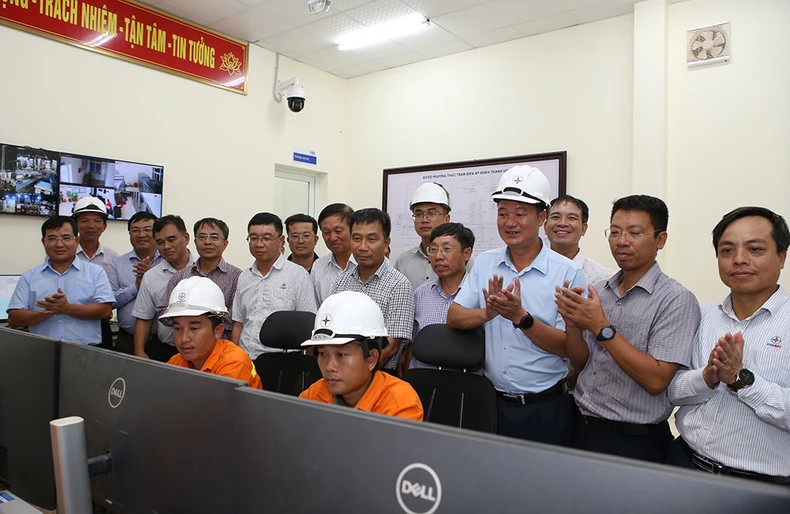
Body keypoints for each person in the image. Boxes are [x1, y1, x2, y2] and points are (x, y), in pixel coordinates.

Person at [555, 194, 700, 463]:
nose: (622, 241)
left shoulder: (676, 299)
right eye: (615, 232)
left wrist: (600, 326)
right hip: (580, 425)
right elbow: (581, 361)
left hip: (633, 440)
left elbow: (656, 380)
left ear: (660, 239)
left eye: (634, 233)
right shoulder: (600, 291)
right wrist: (573, 326)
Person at [448, 165, 586, 445]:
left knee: (541, 485)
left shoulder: (566, 273)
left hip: (545, 407)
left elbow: (572, 350)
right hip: (491, 403)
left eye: (520, 214)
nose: (510, 222)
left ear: (541, 218)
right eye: (503, 214)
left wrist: (522, 318)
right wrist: (487, 313)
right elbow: (455, 317)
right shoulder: (486, 263)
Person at [667, 206, 790, 485]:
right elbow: (672, 390)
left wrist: (741, 381)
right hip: (684, 464)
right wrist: (706, 377)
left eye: (755, 249)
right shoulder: (704, 315)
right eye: (727, 251)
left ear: (781, 257)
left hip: (760, 486)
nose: (739, 260)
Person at [299, 291, 423, 421]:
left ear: (371, 358)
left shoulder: (400, 403)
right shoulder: (315, 394)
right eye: (322, 354)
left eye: (341, 355)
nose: (329, 367)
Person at [332, 208, 415, 376]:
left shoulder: (399, 285)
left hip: (379, 373)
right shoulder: (342, 281)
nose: (363, 247)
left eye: (371, 239)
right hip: (339, 371)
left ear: (386, 243)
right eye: (356, 239)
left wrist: (357, 375)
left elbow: (391, 347)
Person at [7, 216, 114, 344]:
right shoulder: (29, 276)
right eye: (52, 239)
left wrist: (67, 308)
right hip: (41, 350)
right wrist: (46, 312)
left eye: (66, 238)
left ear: (77, 240)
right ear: (43, 242)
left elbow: (104, 310)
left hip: (85, 352)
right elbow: (14, 318)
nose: (59, 244)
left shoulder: (95, 272)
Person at [232, 212, 317, 359]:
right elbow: (239, 324)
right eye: (253, 238)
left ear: (281, 240)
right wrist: (235, 357)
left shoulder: (298, 275)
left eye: (266, 238)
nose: (259, 244)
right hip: (246, 359)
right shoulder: (244, 276)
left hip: (284, 363)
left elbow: (309, 326)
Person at [160, 276, 262, 389]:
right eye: (178, 329)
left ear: (218, 331)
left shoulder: (234, 363)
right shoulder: (177, 361)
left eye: (194, 329)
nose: (184, 339)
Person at [157, 218, 241, 341]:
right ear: (195, 242)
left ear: (225, 243)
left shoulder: (237, 277)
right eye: (202, 237)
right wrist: (186, 321)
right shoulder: (181, 276)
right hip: (186, 346)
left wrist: (195, 316)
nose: (207, 242)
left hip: (222, 349)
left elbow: (236, 318)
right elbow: (162, 311)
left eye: (214, 237)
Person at [411, 222, 475, 370]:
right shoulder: (420, 294)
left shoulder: (479, 294)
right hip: (422, 381)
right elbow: (411, 346)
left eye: (447, 249)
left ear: (467, 253)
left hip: (466, 385)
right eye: (433, 249)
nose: (439, 256)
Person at [132, 215, 196, 362]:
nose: (166, 246)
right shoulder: (151, 276)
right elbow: (143, 318)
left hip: (203, 352)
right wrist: (139, 352)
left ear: (186, 238)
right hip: (166, 350)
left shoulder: (204, 268)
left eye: (171, 240)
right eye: (160, 242)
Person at [107, 211, 162, 354]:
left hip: (161, 341)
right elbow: (109, 301)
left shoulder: (168, 261)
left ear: (157, 233)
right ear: (130, 234)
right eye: (135, 230)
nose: (141, 234)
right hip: (126, 339)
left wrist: (152, 280)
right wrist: (136, 287)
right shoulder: (117, 264)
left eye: (147, 230)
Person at [545, 194, 613, 285]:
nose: (562, 223)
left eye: (571, 218)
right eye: (556, 217)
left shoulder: (604, 279)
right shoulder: (527, 270)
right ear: (545, 227)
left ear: (583, 229)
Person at [394, 183, 452, 289]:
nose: (424, 220)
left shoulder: (462, 259)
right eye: (419, 214)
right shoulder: (403, 260)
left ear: (447, 218)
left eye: (432, 213)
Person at [312, 203, 356, 304]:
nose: (332, 238)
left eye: (338, 231)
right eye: (326, 232)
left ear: (353, 229)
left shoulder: (368, 263)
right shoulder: (318, 266)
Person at [72, 196, 119, 273]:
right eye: (85, 220)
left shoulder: (113, 258)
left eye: (97, 221)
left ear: (104, 227)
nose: (91, 226)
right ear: (75, 224)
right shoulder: (63, 253)